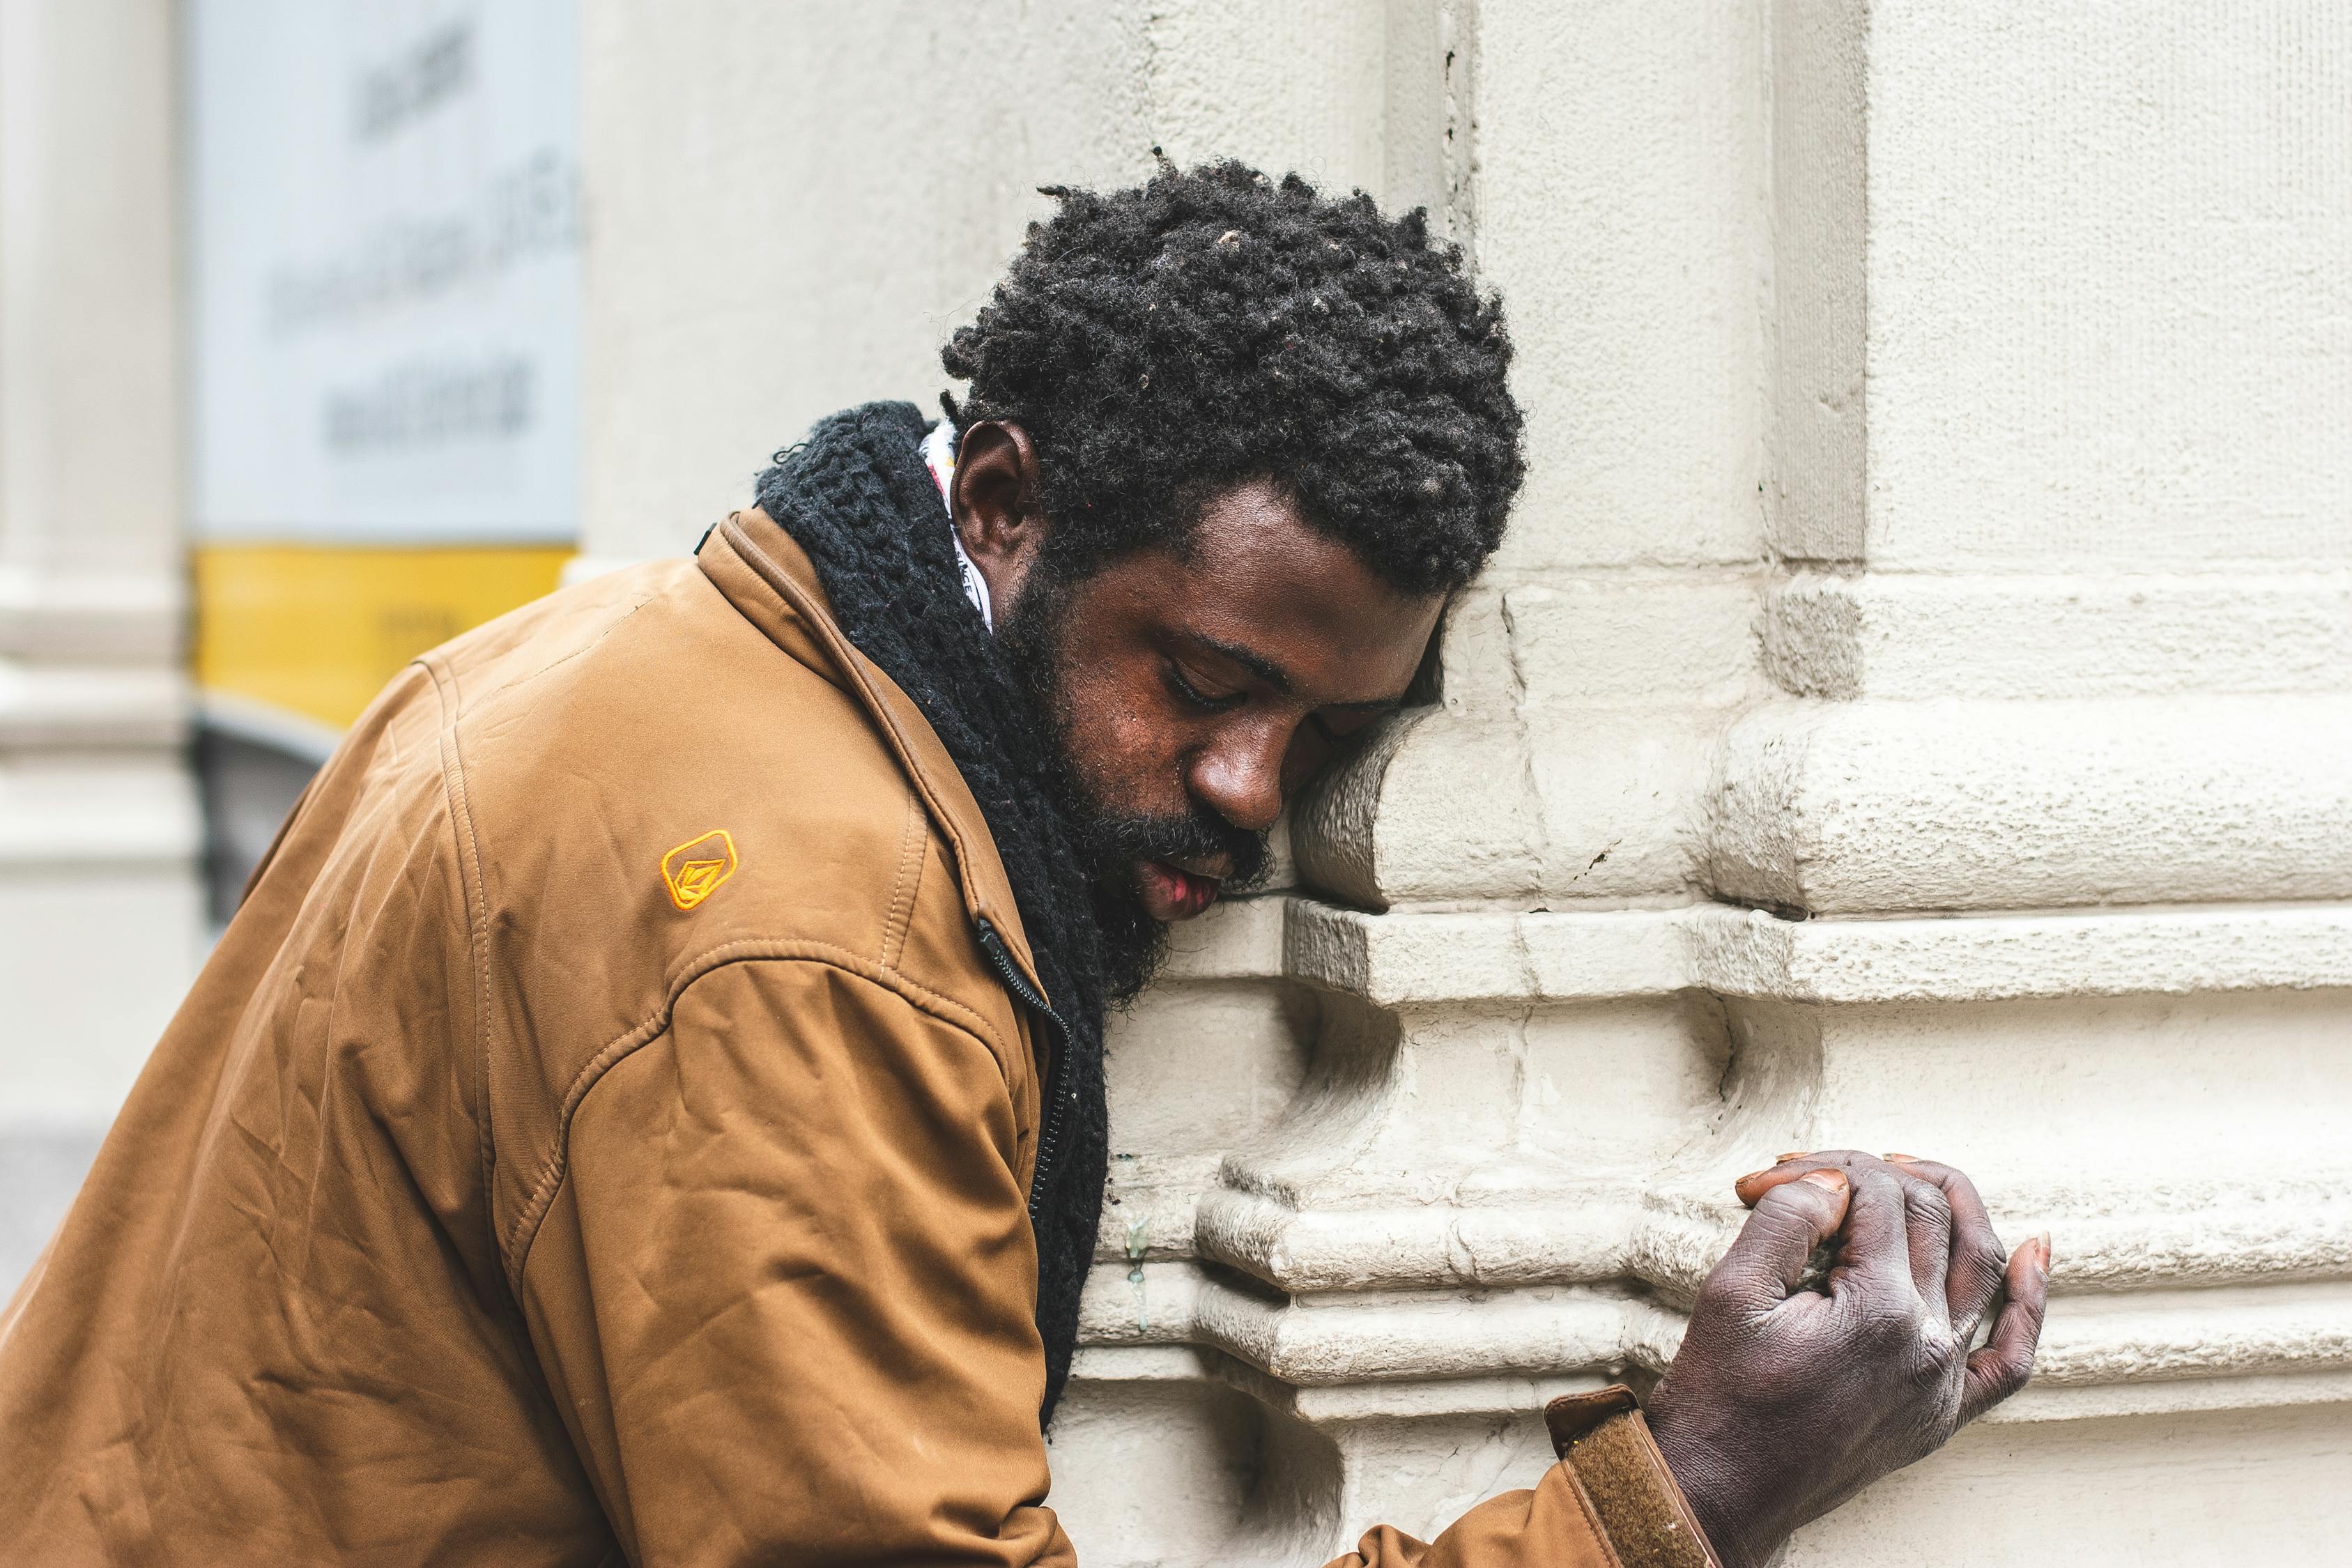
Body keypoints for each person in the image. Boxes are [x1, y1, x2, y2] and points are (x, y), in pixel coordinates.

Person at [0, 160, 2047, 1567]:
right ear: (1002, 500)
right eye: (1204, 677)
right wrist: (1671, 1489)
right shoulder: (812, 942)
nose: (1250, 790)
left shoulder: (646, 652)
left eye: (1327, 735)